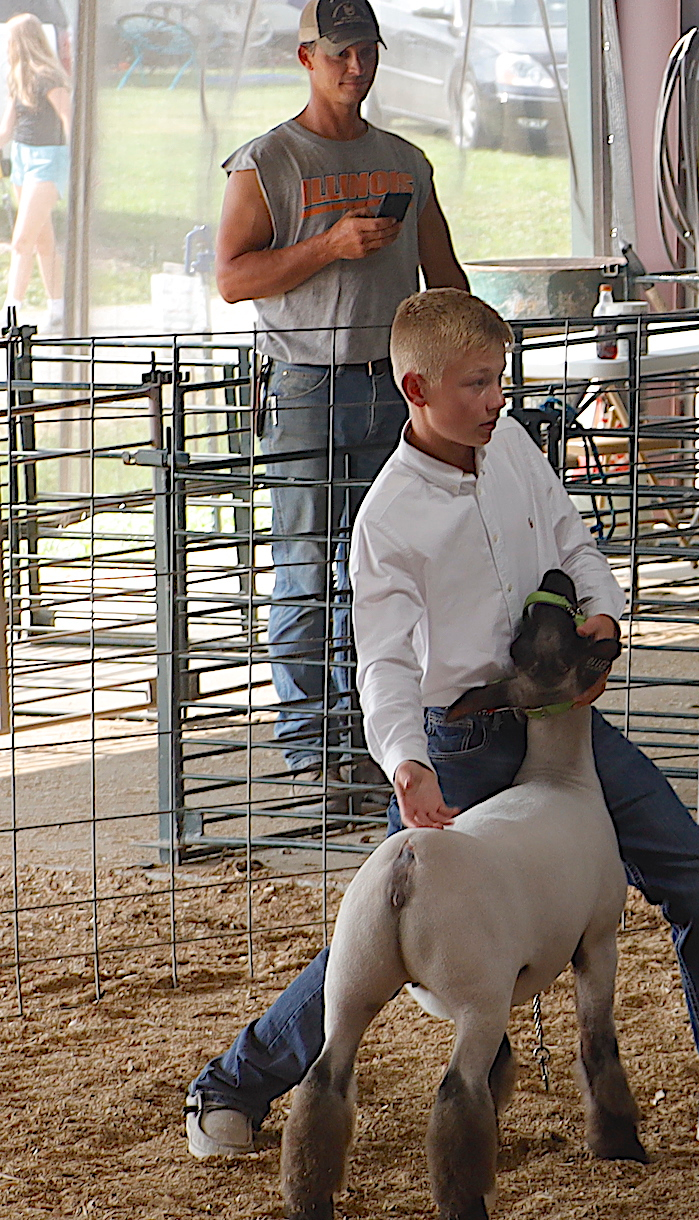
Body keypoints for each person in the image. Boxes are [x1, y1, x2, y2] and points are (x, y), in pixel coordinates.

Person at [185, 289, 699, 1159]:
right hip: (458, 747)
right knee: (381, 935)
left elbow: (573, 545)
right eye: (477, 384)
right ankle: (231, 1084)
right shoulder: (388, 518)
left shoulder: (514, 447)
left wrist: (602, 616)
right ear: (417, 388)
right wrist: (405, 762)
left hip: (560, 724)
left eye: (501, 378)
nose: (497, 398)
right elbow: (381, 660)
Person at [216, 0, 468, 803]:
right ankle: (310, 743)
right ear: (306, 59)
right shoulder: (267, 162)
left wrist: (466, 360)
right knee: (305, 565)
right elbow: (231, 278)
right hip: (305, 379)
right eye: (339, 55)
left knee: (383, 568)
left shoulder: (406, 162)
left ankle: (377, 735)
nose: (356, 68)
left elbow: (445, 276)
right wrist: (329, 244)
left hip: (395, 382)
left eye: (367, 52)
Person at [0, 13, 67, 325]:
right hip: (22, 158)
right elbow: (7, 128)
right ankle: (58, 306)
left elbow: (69, 119)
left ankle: (10, 311)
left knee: (21, 240)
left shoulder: (48, 78)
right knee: (42, 239)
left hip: (48, 160)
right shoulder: (18, 78)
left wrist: (79, 164)